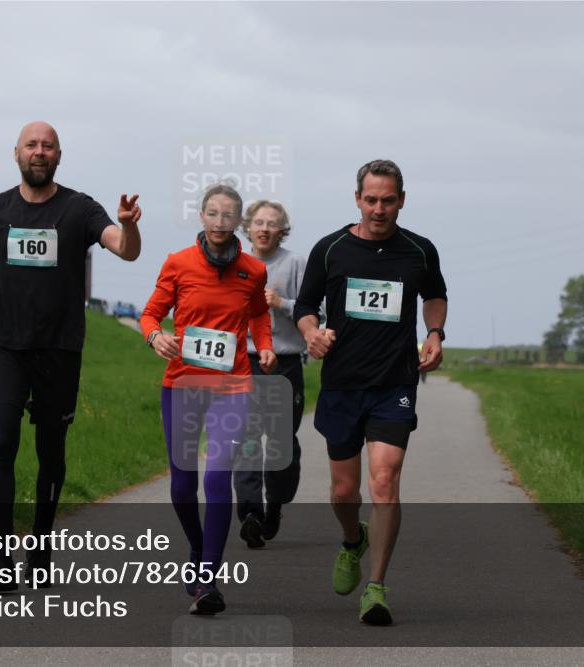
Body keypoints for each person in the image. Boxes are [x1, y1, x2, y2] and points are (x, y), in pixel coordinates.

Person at [0, 121, 142, 591]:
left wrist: (129, 226)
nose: (39, 151)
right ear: (16, 153)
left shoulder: (80, 208)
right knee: (2, 441)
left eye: (47, 146)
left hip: (59, 346)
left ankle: (41, 547)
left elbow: (126, 251)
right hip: (6, 345)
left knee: (51, 450)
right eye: (31, 145)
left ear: (58, 155)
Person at [293, 159, 447, 625]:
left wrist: (435, 333)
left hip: (393, 383)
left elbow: (434, 295)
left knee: (384, 481)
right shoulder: (330, 249)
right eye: (372, 200)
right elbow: (305, 305)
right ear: (357, 199)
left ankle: (376, 587)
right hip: (342, 384)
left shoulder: (419, 251)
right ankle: (351, 539)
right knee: (344, 492)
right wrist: (311, 334)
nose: (379, 209)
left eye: (388, 200)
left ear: (402, 201)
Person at [139, 183, 276, 615]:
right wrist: (155, 337)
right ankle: (198, 547)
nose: (219, 222)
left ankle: (207, 580)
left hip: (232, 388)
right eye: (212, 213)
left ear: (239, 222)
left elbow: (258, 314)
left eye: (228, 215)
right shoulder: (178, 263)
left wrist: (265, 345)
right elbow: (150, 314)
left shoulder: (253, 270)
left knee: (217, 478)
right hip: (182, 384)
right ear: (201, 217)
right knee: (182, 485)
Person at [231, 200, 306, 548]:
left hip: (284, 362)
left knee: (280, 442)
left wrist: (282, 303)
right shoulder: (234, 264)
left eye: (272, 223)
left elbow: (317, 310)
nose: (264, 228)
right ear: (247, 227)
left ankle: (274, 504)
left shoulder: (295, 264)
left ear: (282, 230)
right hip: (242, 361)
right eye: (258, 222)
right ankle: (250, 513)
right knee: (246, 438)